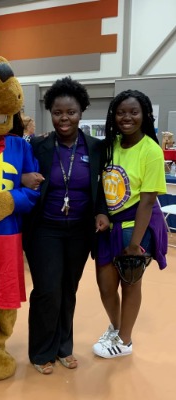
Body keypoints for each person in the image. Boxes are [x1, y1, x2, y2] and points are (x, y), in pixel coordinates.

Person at [22, 76, 109, 375]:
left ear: (81, 111)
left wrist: (101, 212)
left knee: (68, 289)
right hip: (45, 229)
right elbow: (18, 173)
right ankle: (41, 351)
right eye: (58, 112)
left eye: (70, 112)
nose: (64, 118)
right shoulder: (38, 145)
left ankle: (63, 347)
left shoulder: (96, 148)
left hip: (80, 232)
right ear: (50, 112)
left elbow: (102, 188)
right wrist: (22, 179)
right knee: (47, 290)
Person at [93, 89, 168, 359]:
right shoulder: (110, 145)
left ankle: (125, 340)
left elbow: (147, 202)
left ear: (144, 115)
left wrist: (135, 244)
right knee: (105, 286)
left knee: (130, 282)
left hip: (136, 226)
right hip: (108, 226)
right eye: (121, 112)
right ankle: (116, 326)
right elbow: (101, 186)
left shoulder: (151, 150)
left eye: (133, 112)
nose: (127, 117)